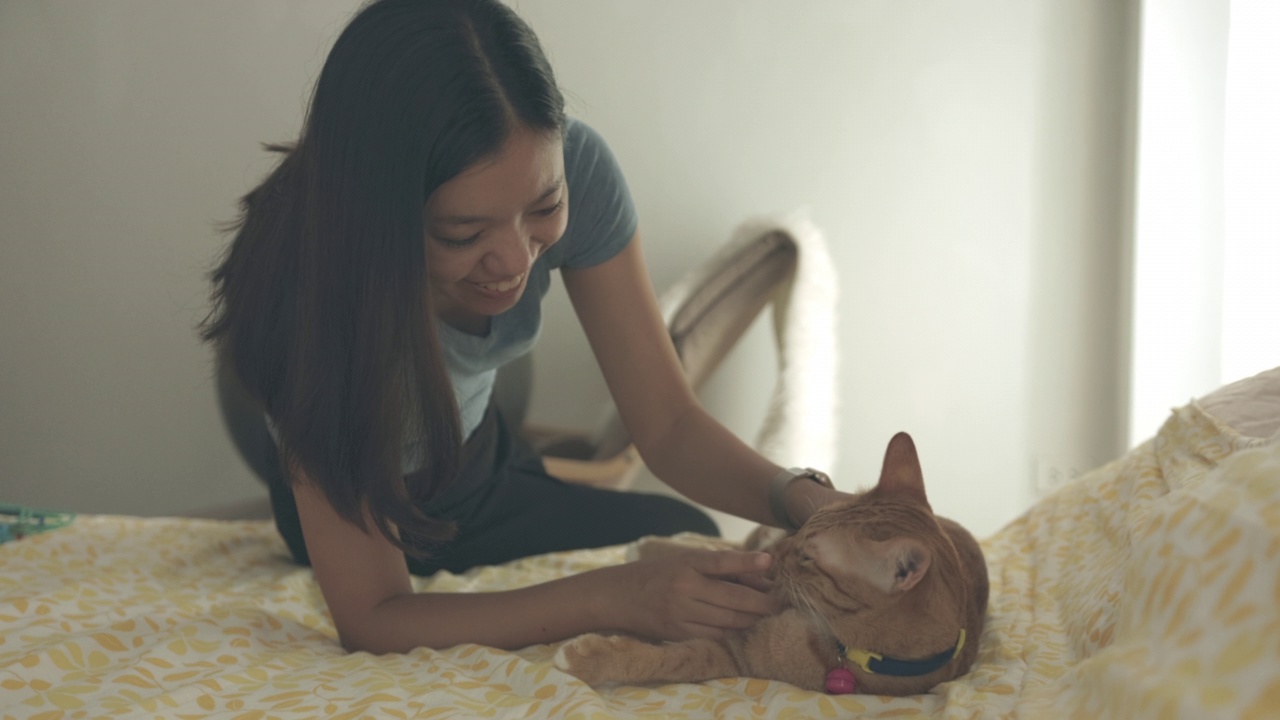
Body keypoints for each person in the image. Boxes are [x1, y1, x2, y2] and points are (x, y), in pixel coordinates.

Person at [201, 0, 846, 655]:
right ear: (376, 216)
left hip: (476, 461)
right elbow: (373, 617)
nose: (513, 262)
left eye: (545, 207)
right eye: (463, 232)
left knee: (687, 535)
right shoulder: (306, 303)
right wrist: (613, 597)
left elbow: (670, 425)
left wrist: (796, 494)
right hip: (362, 487)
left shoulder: (581, 170)